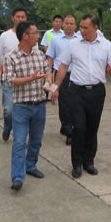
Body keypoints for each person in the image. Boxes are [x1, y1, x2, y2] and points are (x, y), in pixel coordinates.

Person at [51, 14, 111, 178]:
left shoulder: (106, 45)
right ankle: (77, 163)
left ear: (96, 27)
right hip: (77, 91)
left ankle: (88, 161)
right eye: (81, 27)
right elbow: (63, 66)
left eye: (85, 28)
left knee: (92, 127)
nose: (82, 30)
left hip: (97, 92)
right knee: (79, 127)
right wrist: (55, 87)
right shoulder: (73, 44)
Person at [3, 21, 51, 191]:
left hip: (39, 105)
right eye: (35, 33)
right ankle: (17, 177)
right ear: (25, 36)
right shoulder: (11, 57)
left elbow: (47, 73)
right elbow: (10, 81)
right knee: (19, 142)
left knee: (36, 140)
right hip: (21, 107)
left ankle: (30, 165)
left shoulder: (40, 54)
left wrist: (49, 83)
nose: (38, 36)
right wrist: (30, 79)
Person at [45, 13, 79, 145]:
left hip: (77, 75)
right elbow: (50, 58)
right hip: (60, 75)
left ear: (75, 25)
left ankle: (70, 128)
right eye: (67, 23)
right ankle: (68, 129)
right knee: (64, 103)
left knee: (75, 103)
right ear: (63, 24)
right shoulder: (55, 40)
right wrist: (49, 75)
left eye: (72, 23)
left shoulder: (80, 39)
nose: (69, 26)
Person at [0, 8, 28, 142]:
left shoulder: (29, 35)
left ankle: (20, 135)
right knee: (9, 110)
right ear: (12, 18)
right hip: (9, 79)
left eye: (23, 17)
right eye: (18, 16)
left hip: (26, 79)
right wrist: (1, 70)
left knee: (23, 110)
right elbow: (0, 56)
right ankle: (7, 128)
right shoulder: (5, 36)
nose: (20, 19)